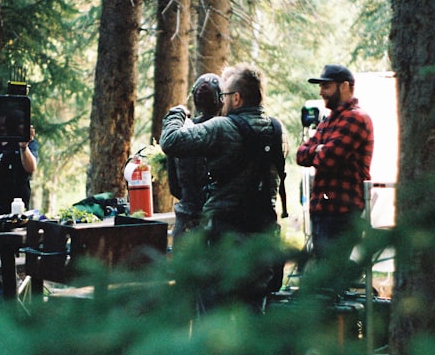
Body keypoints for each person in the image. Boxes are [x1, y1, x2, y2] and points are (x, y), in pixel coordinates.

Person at [160, 63, 287, 310]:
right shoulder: (278, 130)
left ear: (237, 98)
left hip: (224, 237)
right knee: (253, 315)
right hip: (263, 236)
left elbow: (171, 141)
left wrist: (175, 115)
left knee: (213, 318)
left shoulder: (222, 128)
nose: (223, 100)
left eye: (226, 95)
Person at [295, 64, 374, 293]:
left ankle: (341, 326)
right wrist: (319, 149)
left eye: (326, 86)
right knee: (324, 276)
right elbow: (301, 154)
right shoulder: (329, 121)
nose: (321, 92)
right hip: (323, 210)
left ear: (345, 86)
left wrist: (318, 150)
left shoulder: (357, 119)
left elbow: (330, 158)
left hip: (342, 212)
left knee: (331, 278)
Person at [166, 73, 223, 244]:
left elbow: (174, 187)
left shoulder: (178, 134)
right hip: (218, 225)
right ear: (221, 99)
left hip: (185, 224)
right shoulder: (229, 133)